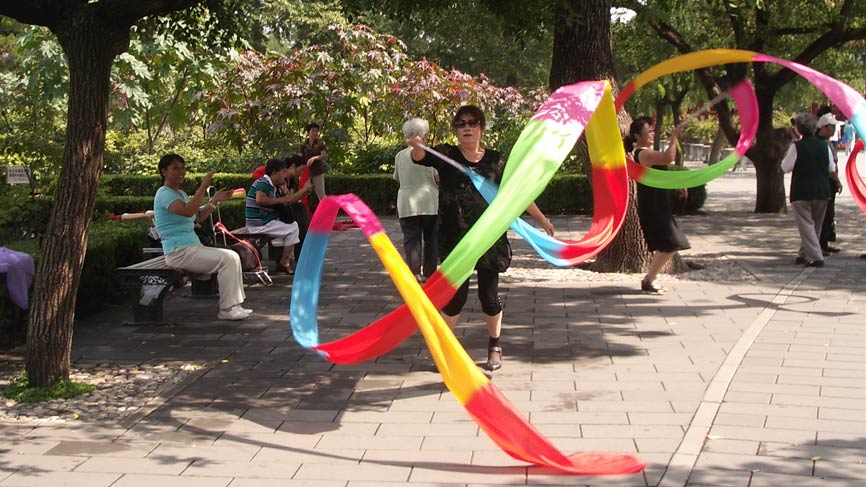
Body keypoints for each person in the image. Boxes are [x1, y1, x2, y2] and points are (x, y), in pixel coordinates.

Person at [406, 105, 555, 371]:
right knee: (456, 297)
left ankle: (495, 346)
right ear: (456, 129)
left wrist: (542, 220)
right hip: (456, 239)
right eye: (461, 123)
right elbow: (420, 157)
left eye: (472, 122)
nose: (467, 127)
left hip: (489, 238)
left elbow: (517, 193)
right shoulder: (446, 154)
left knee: (489, 296)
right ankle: (445, 349)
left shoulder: (496, 161)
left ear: (481, 128)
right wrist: (417, 145)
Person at [154, 153, 252, 321]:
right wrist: (203, 187)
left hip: (191, 248)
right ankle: (227, 309)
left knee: (232, 256)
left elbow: (197, 216)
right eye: (175, 168)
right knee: (228, 258)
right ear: (164, 171)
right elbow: (187, 211)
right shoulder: (164, 194)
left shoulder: (180, 193)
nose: (181, 172)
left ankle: (234, 305)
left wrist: (214, 201)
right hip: (178, 252)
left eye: (182, 168)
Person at [625, 117, 690, 295]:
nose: (652, 134)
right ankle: (649, 280)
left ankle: (650, 280)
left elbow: (658, 175)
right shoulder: (643, 154)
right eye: (649, 131)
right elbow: (668, 157)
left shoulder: (646, 153)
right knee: (672, 243)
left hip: (658, 203)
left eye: (653, 131)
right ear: (638, 136)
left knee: (669, 245)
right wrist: (674, 137)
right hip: (653, 206)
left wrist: (675, 183)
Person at [781, 113, 837, 268]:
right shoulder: (824, 146)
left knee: (806, 226)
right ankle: (804, 254)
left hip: (802, 191)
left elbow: (785, 167)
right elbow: (831, 168)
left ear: (799, 129)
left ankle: (816, 257)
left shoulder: (796, 147)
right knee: (815, 226)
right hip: (822, 191)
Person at [394, 118, 440, 283]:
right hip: (429, 202)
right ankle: (429, 273)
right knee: (431, 239)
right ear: (423, 136)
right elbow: (437, 179)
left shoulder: (400, 156)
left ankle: (414, 273)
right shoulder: (430, 155)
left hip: (406, 203)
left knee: (411, 239)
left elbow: (397, 178)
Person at [245, 158, 309, 274]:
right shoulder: (264, 182)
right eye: (283, 172)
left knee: (294, 225)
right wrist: (281, 199)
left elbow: (287, 201)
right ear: (274, 173)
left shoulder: (273, 185)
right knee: (293, 228)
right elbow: (260, 199)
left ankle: (285, 260)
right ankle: (284, 261)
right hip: (259, 223)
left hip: (265, 221)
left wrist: (284, 195)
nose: (285, 176)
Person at [815, 109, 845, 255]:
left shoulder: (827, 143)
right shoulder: (822, 144)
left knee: (829, 214)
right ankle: (820, 244)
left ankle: (825, 242)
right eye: (832, 127)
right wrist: (838, 181)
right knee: (824, 215)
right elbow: (830, 168)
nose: (834, 130)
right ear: (824, 127)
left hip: (829, 183)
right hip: (826, 182)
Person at [298, 121, 327, 207]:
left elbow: (323, 156)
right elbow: (299, 158)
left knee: (321, 195)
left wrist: (314, 158)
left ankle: (326, 212)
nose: (315, 133)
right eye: (313, 131)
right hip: (306, 172)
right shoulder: (303, 145)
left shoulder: (321, 144)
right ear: (308, 132)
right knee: (302, 194)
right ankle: (300, 212)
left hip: (317, 172)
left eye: (316, 131)